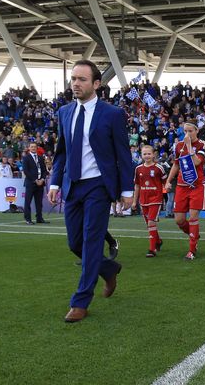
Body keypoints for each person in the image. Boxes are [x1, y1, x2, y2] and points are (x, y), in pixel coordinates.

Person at [47, 59, 133, 323]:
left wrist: (127, 190)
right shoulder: (64, 112)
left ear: (96, 84)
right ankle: (108, 268)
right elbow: (61, 152)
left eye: (82, 79)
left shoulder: (112, 114)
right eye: (73, 78)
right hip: (73, 184)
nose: (75, 83)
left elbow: (123, 154)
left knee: (92, 240)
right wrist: (55, 182)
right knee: (75, 242)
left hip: (98, 185)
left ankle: (80, 301)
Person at [165, 122, 205, 260]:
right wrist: (167, 180)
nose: (187, 134)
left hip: (196, 186)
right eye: (185, 131)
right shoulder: (178, 146)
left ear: (197, 130)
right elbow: (176, 165)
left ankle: (191, 250)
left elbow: (197, 162)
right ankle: (194, 234)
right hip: (181, 186)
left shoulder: (203, 144)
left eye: (190, 130)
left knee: (193, 217)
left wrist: (189, 146)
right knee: (179, 220)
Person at [133, 145, 167, 258]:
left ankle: (152, 250)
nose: (147, 156)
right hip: (143, 199)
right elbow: (137, 186)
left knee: (151, 222)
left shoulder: (159, 168)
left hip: (155, 199)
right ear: (141, 155)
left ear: (153, 154)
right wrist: (134, 201)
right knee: (149, 224)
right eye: (144, 154)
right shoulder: (138, 169)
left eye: (149, 154)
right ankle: (158, 241)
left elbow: (165, 182)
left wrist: (164, 196)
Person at [23, 142, 49, 225]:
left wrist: (42, 179)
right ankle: (28, 219)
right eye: (32, 147)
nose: (33, 148)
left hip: (40, 183)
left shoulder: (41, 158)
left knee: (39, 202)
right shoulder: (26, 158)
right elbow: (26, 171)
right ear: (29, 148)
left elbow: (44, 171)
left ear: (37, 148)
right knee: (28, 202)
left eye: (34, 147)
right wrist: (35, 180)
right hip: (31, 183)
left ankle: (39, 218)